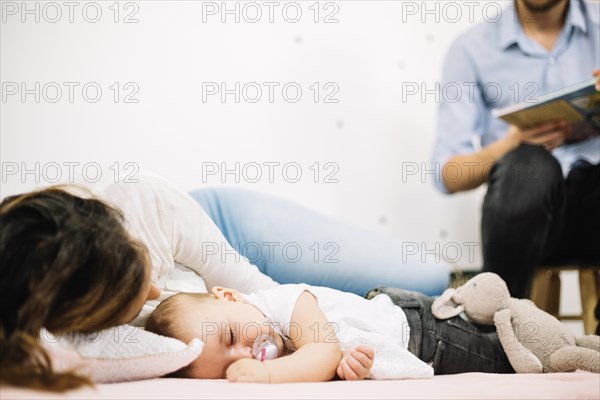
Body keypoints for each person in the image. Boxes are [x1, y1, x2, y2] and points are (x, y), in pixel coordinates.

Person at [0, 174, 449, 390]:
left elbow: (263, 294)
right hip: (215, 312)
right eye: (129, 302)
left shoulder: (149, 208)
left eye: (145, 274)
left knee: (427, 274)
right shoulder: (41, 313)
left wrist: (303, 358)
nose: (156, 293)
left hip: (233, 250)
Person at [432, 0, 600, 298]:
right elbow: (449, 174)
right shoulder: (471, 48)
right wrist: (509, 145)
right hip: (525, 223)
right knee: (528, 165)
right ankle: (497, 330)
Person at [144, 283, 513, 383]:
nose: (244, 355)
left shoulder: (285, 303)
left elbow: (322, 351)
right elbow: (331, 359)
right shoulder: (271, 342)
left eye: (228, 338)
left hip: (423, 332)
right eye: (228, 368)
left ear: (228, 295)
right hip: (404, 327)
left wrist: (266, 375)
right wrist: (348, 367)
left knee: (505, 359)